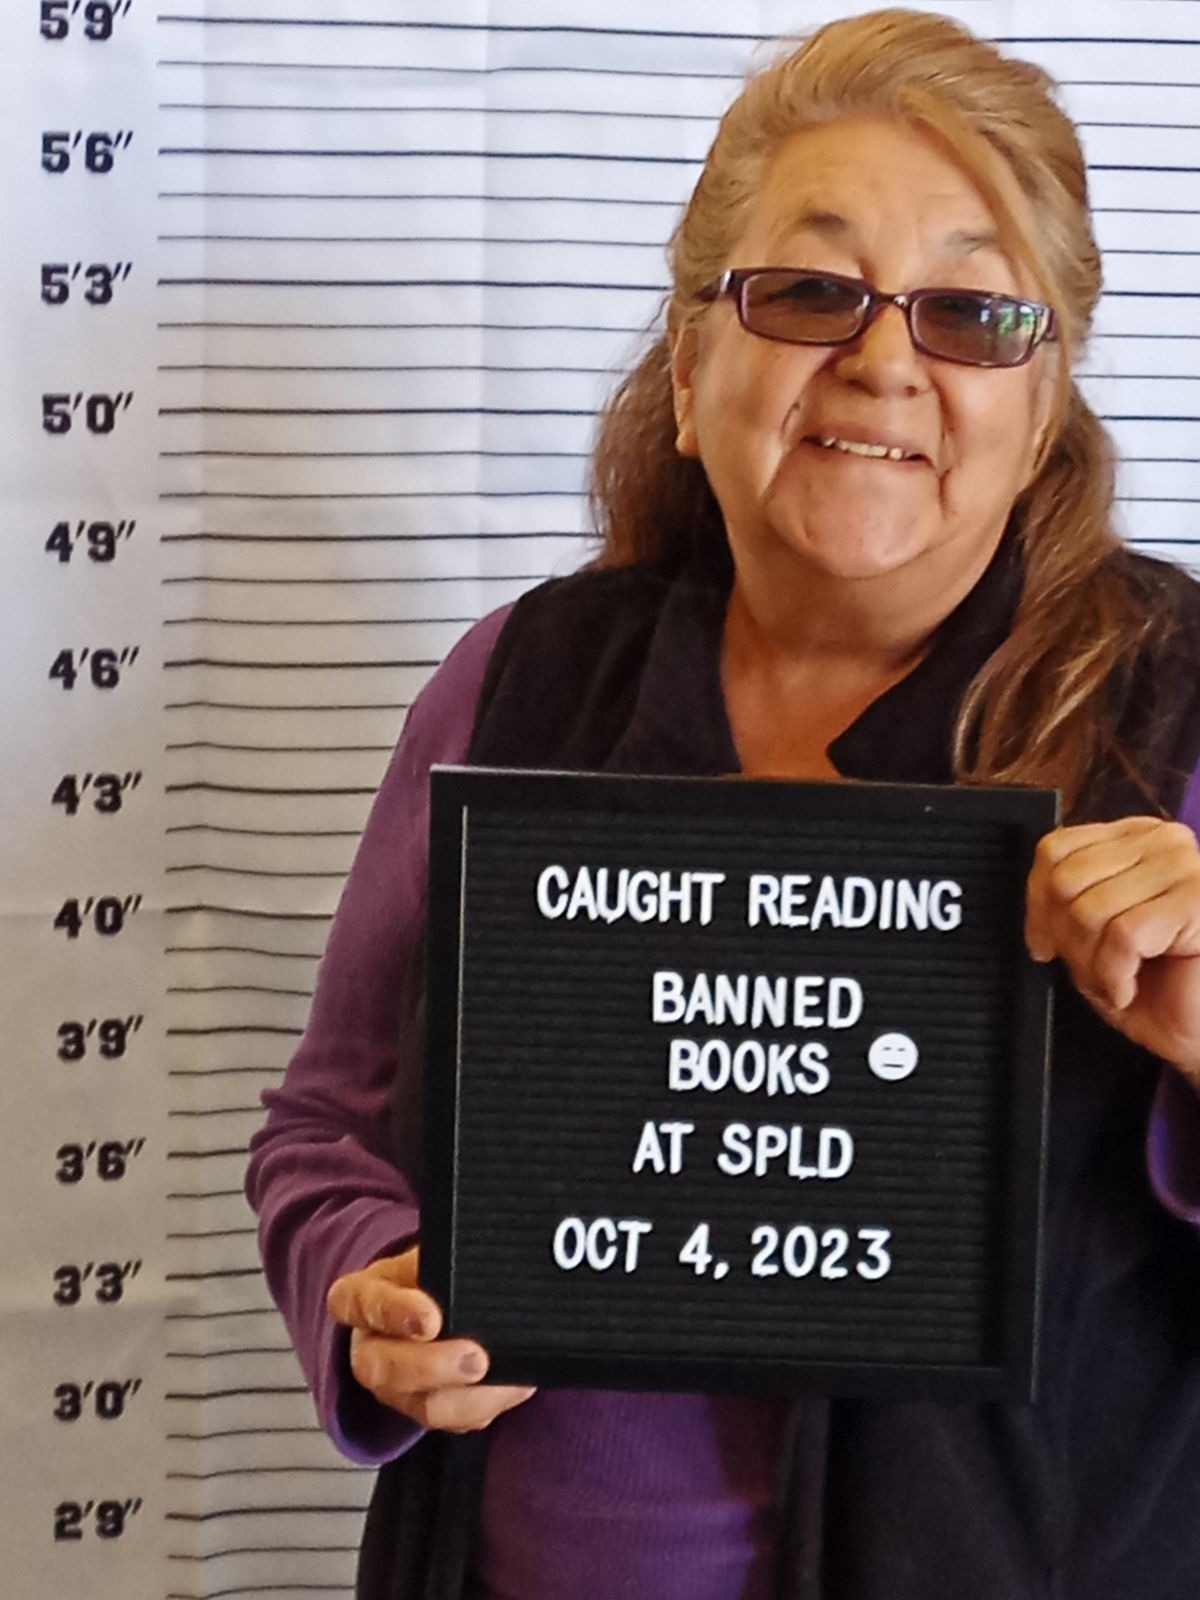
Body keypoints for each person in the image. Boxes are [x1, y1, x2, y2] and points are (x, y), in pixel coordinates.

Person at [246, 10, 1200, 1598]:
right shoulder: (517, 681)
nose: (884, 359)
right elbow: (325, 1130)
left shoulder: (1177, 713)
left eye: (971, 314)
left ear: (1042, 417)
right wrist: (371, 1291)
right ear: (692, 371)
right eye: (811, 293)